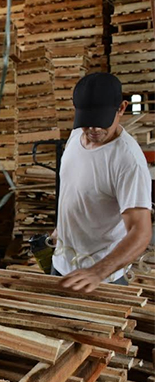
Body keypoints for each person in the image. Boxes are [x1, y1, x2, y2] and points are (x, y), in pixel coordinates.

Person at [51, 72, 152, 293]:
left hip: (100, 279)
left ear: (122, 108)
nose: (93, 130)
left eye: (101, 122)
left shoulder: (128, 161)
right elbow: (76, 186)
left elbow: (141, 231)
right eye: (87, 122)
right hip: (61, 262)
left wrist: (97, 272)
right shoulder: (77, 133)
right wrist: (62, 229)